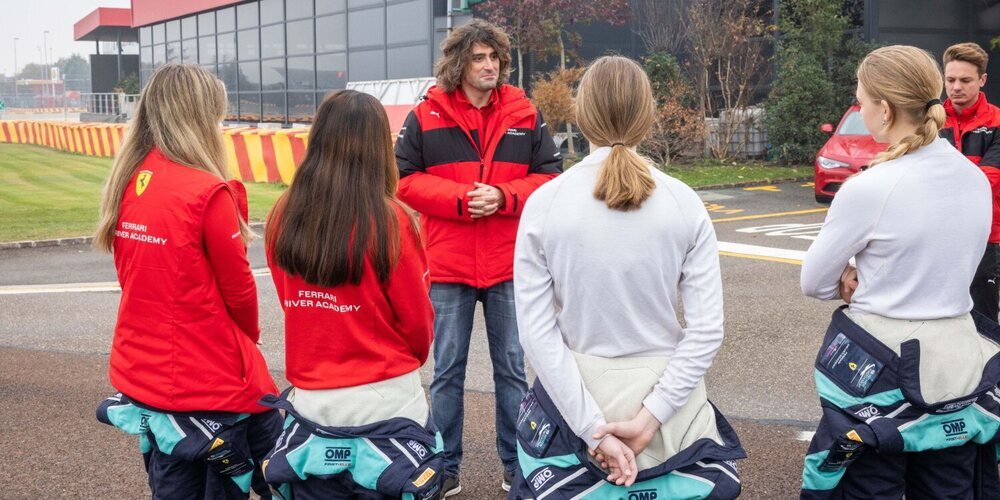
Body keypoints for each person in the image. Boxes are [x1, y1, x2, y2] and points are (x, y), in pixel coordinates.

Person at [511, 55, 745, 500]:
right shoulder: (683, 202)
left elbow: (537, 334)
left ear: (582, 115)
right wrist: (651, 417)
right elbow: (706, 331)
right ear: (648, 114)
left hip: (578, 394)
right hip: (669, 400)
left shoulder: (545, 203)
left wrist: (593, 430)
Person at [800, 45, 1000, 499]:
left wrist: (849, 277)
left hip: (880, 370)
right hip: (958, 364)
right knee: (952, 487)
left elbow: (813, 281)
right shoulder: (972, 179)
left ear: (884, 110)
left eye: (862, 99)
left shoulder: (869, 188)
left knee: (870, 486)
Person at [92, 63, 281, 499]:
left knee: (172, 483)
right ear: (199, 117)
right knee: (275, 472)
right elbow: (239, 290)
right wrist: (247, 341)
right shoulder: (207, 191)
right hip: (209, 376)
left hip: (147, 369)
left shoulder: (127, 182)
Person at [394, 18, 563, 495]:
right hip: (448, 267)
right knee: (447, 371)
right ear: (458, 63)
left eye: (495, 58)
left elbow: (551, 176)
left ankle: (519, 465)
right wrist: (463, 198)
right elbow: (404, 178)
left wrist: (505, 196)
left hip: (509, 265)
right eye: (479, 58)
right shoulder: (425, 114)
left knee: (512, 369)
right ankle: (444, 468)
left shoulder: (525, 112)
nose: (490, 66)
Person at [260, 90, 442, 499]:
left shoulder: (281, 214)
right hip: (386, 402)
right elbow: (417, 323)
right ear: (380, 146)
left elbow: (291, 301)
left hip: (312, 403)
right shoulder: (392, 218)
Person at [940, 42, 1000, 321]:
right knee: (939, 318)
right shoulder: (931, 123)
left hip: (986, 236)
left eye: (965, 80)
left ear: (982, 80)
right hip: (938, 235)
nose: (956, 87)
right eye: (950, 79)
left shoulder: (998, 122)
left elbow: (986, 182)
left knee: (984, 324)